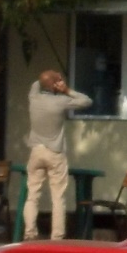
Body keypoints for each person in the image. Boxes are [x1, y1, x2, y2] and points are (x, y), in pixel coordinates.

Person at [24, 70, 92, 240]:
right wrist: (66, 89)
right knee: (58, 197)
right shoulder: (60, 102)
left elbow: (37, 82)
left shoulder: (34, 97)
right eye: (59, 80)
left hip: (36, 151)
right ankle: (57, 237)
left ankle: (30, 233)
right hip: (55, 152)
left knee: (32, 196)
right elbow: (86, 101)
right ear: (55, 85)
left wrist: (49, 80)